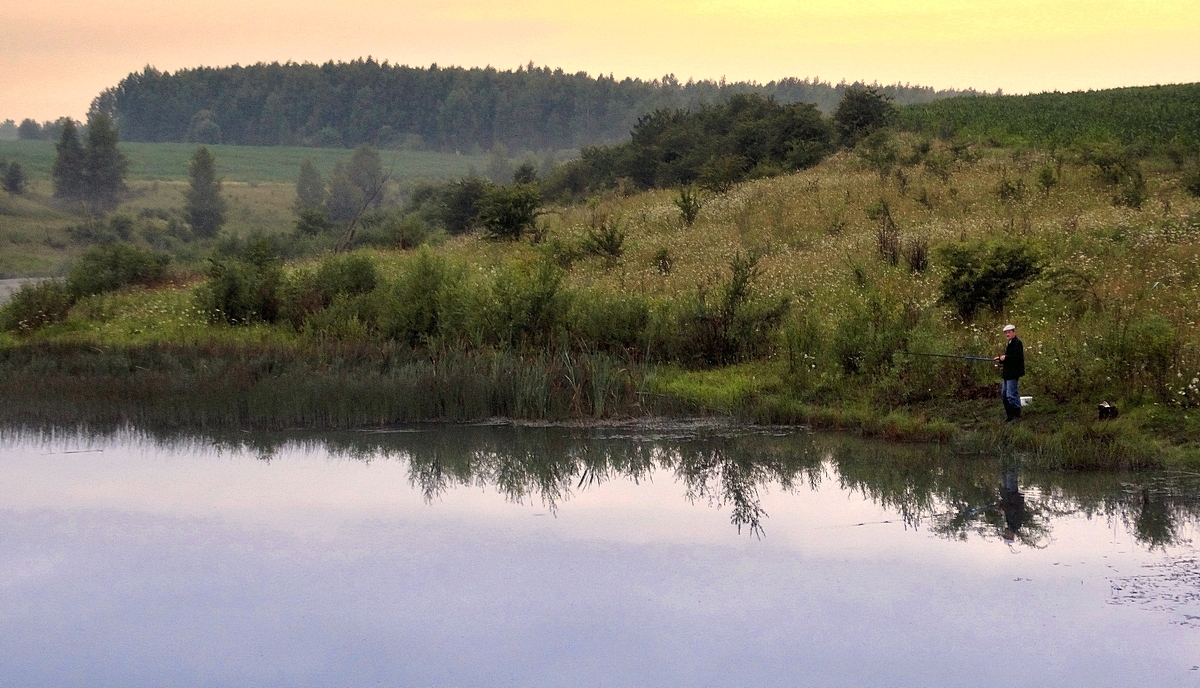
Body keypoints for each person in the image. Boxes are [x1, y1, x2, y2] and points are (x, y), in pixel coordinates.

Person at [994, 324, 1024, 422]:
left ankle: (1017, 415)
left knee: (1011, 395)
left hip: (1013, 373)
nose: (1007, 334)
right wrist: (1000, 360)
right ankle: (1009, 416)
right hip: (1007, 373)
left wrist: (1006, 358)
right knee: (1004, 395)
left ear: (1013, 332)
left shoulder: (1017, 343)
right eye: (1006, 333)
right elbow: (1008, 358)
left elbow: (1017, 358)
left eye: (1009, 332)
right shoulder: (1010, 343)